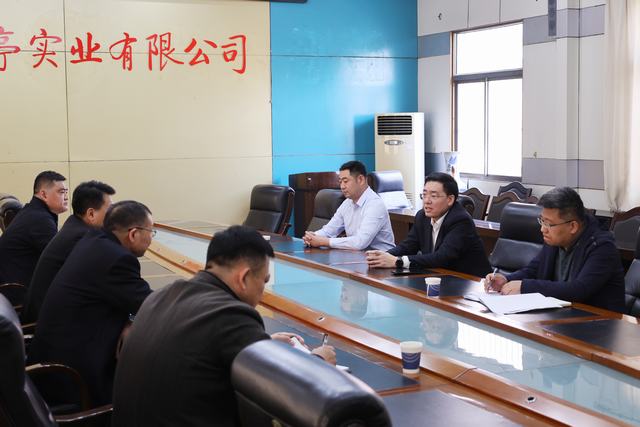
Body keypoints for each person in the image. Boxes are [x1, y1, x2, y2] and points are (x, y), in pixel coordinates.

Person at [112, 225, 336, 426]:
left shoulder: (161, 296)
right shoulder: (232, 315)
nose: (262, 293)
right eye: (264, 281)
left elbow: (201, 348)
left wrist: (263, 343)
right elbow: (280, 395)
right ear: (244, 277)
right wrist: (317, 362)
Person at [28, 200, 154, 405]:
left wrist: (130, 319)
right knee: (154, 377)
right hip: (72, 380)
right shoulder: (117, 259)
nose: (151, 238)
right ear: (133, 234)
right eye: (151, 232)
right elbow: (152, 305)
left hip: (49, 363)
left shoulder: (93, 240)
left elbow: (133, 301)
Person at [484, 187, 625, 313]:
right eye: (542, 221)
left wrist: (525, 286)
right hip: (562, 316)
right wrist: (506, 279)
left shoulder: (602, 247)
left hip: (599, 323)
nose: (542, 229)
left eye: (549, 224)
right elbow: (534, 270)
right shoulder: (555, 239)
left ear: (573, 226)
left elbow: (579, 289)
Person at [21, 180, 116, 324]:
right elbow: (104, 284)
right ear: (91, 214)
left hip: (43, 311)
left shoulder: (74, 226)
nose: (114, 216)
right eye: (110, 210)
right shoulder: (83, 238)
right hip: (48, 321)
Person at [367, 172, 491, 277]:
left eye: (433, 196)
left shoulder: (461, 220)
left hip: (470, 282)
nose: (427, 201)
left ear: (450, 200)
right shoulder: (422, 216)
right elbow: (408, 246)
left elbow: (442, 257)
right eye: (424, 195)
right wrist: (384, 256)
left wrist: (398, 261)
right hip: (441, 277)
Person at [302, 161, 394, 251]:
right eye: (340, 182)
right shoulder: (347, 203)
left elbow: (360, 242)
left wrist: (324, 242)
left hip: (382, 258)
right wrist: (312, 237)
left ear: (361, 179)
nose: (342, 186)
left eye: (345, 181)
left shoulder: (375, 205)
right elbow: (329, 230)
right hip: (357, 256)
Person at [0, 171, 68, 287]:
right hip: (16, 291)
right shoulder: (40, 220)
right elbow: (60, 260)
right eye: (61, 192)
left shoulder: (33, 212)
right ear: (44, 194)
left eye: (66, 192)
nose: (66, 197)